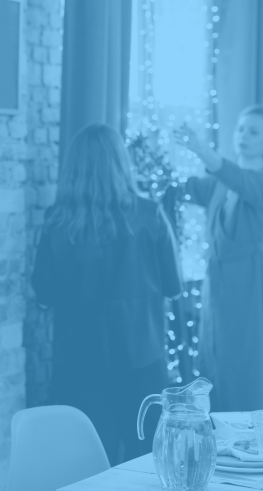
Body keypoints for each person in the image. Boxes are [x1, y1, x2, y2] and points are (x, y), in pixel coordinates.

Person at [31, 123, 182, 465]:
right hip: (142, 360)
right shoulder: (150, 214)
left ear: (73, 169)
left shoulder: (57, 221)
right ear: (120, 162)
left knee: (87, 468)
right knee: (149, 467)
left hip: (79, 364)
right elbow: (173, 286)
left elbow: (44, 294)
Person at [173, 105, 263, 414]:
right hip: (219, 284)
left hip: (250, 283)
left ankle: (253, 437)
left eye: (254, 131)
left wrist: (200, 149)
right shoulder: (221, 181)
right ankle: (220, 437)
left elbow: (237, 178)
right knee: (217, 362)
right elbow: (184, 189)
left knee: (246, 361)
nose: (243, 137)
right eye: (240, 129)